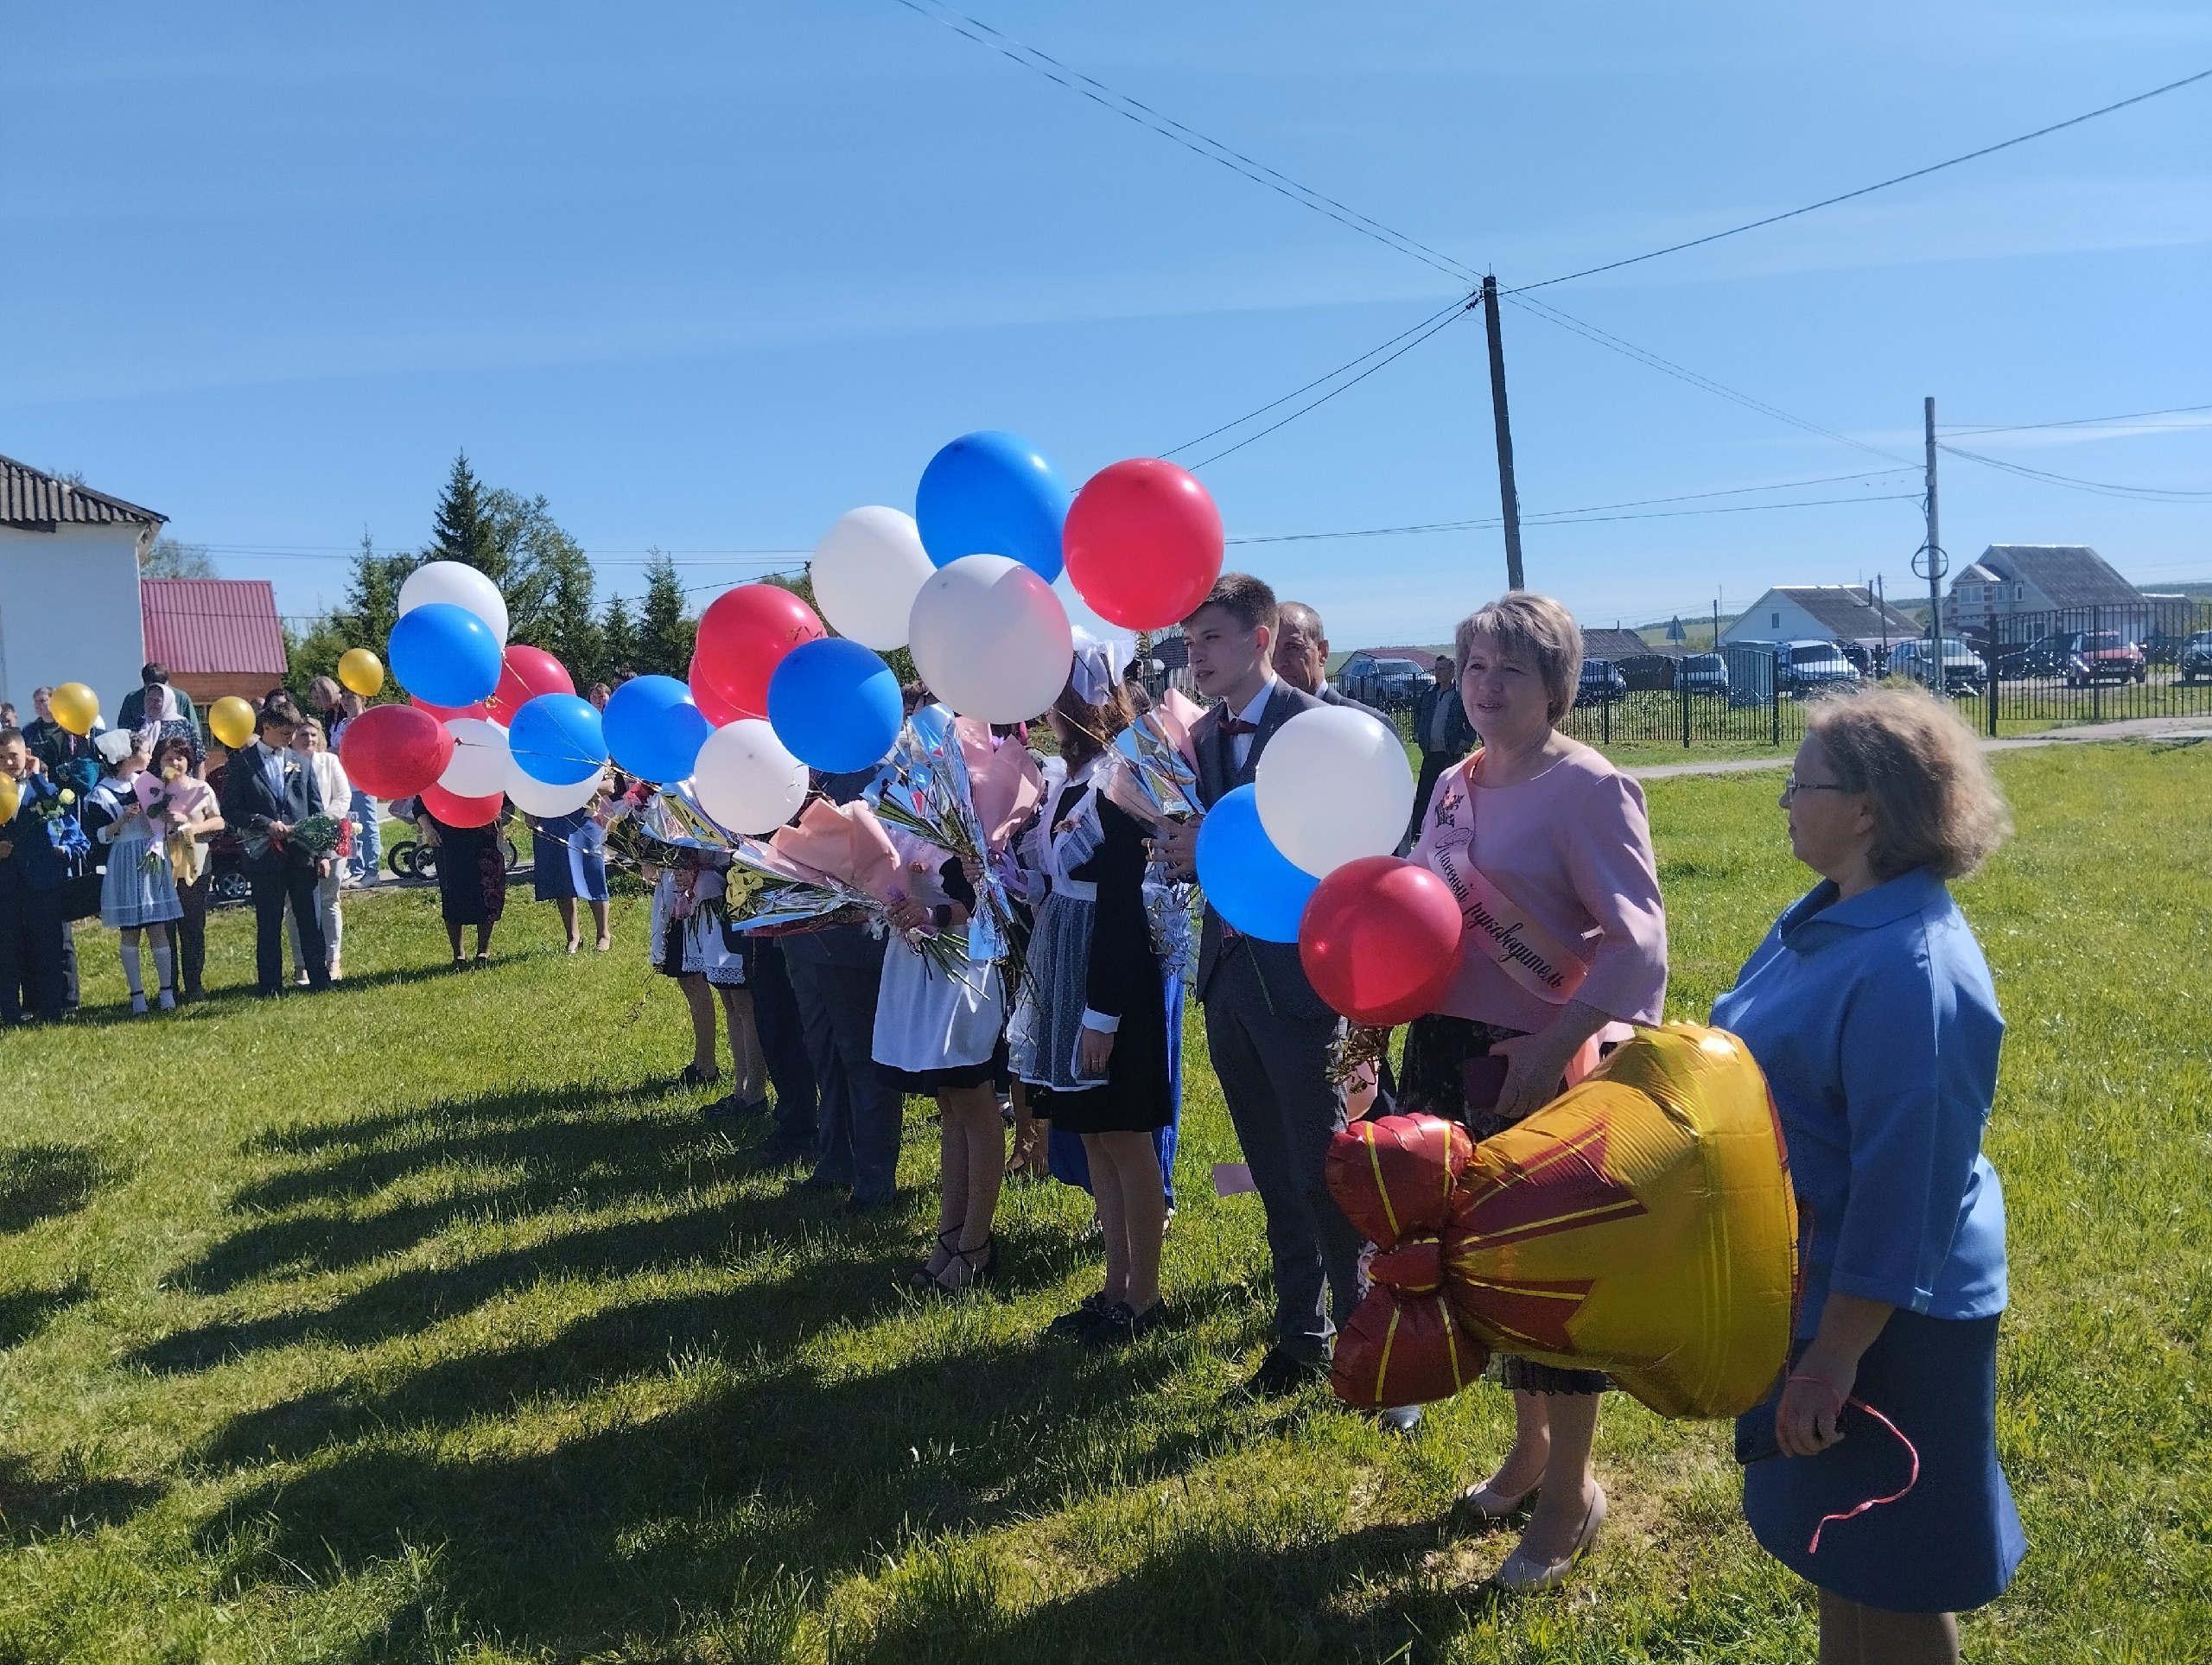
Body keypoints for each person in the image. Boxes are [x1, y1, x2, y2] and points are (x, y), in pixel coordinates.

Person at [1712, 688, 2023, 1664]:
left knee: (1894, 1570)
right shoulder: (1828, 916)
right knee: (1837, 1549)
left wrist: (1832, 1357)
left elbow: (1904, 1195)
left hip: (1888, 1319)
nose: (1786, 800)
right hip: (1809, 1286)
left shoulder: (1911, 969)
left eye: (1800, 782)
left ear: (1868, 810)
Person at [1397, 592, 1669, 1591]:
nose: (1487, 686)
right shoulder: (1455, 786)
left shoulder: (1590, 787)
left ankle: (1572, 1491)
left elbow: (1638, 941)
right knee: (1483, 1269)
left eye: (1511, 668)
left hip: (1539, 1061)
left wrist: (1548, 1044)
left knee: (1554, 1280)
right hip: (1447, 1053)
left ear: (1557, 684)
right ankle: (1527, 1451)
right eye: (1473, 665)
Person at [1154, 575, 1396, 1415]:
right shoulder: (1205, 734)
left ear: (1261, 638)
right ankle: (1302, 1335)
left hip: (1306, 986)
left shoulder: (1326, 731)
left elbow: (1359, 854)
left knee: (1328, 1171)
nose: (1196, 658)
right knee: (1271, 1169)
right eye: (1187, 645)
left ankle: (1371, 1350)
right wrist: (1184, 851)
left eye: (1210, 640)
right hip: (1227, 981)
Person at [1012, 641, 1175, 1345]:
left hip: (1108, 970)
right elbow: (1053, 878)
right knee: (1098, 1132)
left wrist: (1102, 1011)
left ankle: (1144, 1294)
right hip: (1066, 954)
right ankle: (1115, 1283)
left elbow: (1120, 899)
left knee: (1125, 1132)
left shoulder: (1121, 780)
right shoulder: (1067, 778)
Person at [876, 722, 1012, 1293]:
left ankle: (976, 1243)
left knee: (974, 1102)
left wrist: (934, 916)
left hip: (966, 969)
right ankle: (949, 1233)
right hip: (924, 966)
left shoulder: (978, 804)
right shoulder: (909, 805)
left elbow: (990, 895)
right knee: (950, 1105)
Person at [785, 771, 904, 1209]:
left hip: (854, 939)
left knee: (860, 1057)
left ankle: (874, 1178)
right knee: (823, 1053)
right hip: (801, 935)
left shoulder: (879, 765)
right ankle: (833, 1157)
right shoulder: (797, 759)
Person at [642, 839, 766, 1120]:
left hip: (736, 906)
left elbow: (739, 859)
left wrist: (701, 874)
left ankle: (755, 1093)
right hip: (713, 915)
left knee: (745, 1007)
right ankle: (741, 1089)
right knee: (732, 1005)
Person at [219, 696, 333, 997]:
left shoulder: (300, 762)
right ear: (266, 727)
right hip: (264, 855)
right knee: (268, 922)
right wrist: (263, 822)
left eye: (293, 734)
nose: (290, 740)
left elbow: (316, 810)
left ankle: (320, 979)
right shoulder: (242, 765)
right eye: (284, 734)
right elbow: (230, 810)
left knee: (311, 918)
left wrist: (322, 852)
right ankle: (270, 985)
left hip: (301, 853)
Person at [83, 731, 183, 1014]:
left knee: (157, 926)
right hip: (125, 859)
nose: (149, 754)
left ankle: (166, 993)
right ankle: (137, 996)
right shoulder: (100, 794)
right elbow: (99, 836)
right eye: (144, 750)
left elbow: (165, 818)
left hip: (151, 853)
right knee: (130, 930)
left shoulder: (147, 783)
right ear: (126, 756)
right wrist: (121, 821)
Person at [0, 727, 86, 1024]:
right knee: (7, 949)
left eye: (13, 755)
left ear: (26, 754)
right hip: (6, 884)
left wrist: (37, 775)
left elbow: (58, 812)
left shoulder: (41, 788)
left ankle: (52, 1009)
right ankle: (9, 1012)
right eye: (1, 758)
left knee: (48, 945)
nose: (8, 763)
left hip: (42, 880)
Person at [143, 732, 224, 1002]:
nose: (175, 763)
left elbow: (218, 822)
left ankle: (194, 986)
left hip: (196, 867)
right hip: (161, 868)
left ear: (188, 760)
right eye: (169, 758)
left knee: (192, 928)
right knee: (164, 931)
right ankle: (169, 989)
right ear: (160, 761)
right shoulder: (152, 791)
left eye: (180, 757)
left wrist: (190, 827)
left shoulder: (202, 789)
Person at [287, 718, 353, 982]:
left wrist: (320, 823)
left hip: (330, 837)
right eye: (303, 734)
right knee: (294, 905)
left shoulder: (330, 762)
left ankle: (332, 959)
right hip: (296, 840)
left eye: (313, 734)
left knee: (329, 900)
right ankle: (301, 963)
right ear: (293, 737)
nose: (309, 739)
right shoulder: (286, 762)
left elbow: (343, 797)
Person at [416, 795, 507, 969]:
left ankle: (483, 950)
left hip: (484, 837)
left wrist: (501, 817)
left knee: (488, 891)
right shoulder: (441, 772)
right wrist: (428, 830)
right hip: (447, 840)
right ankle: (458, 954)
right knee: (453, 894)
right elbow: (419, 805)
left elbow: (505, 801)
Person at [526, 785, 612, 953]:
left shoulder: (590, 757)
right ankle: (573, 937)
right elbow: (526, 781)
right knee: (560, 876)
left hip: (585, 817)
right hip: (549, 817)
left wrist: (570, 785)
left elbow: (609, 786)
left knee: (592, 874)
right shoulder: (542, 757)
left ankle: (603, 934)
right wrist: (528, 811)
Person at [1409, 655, 1477, 843]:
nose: (1437, 673)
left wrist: (1464, 743)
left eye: (1441, 670)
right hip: (1431, 753)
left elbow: (1471, 721)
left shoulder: (1459, 696)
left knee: (1450, 797)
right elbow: (1418, 713)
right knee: (1424, 793)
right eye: (1436, 669)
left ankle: (1448, 833)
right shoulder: (1429, 693)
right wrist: (1418, 734)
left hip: (1451, 754)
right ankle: (1417, 833)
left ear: (1451, 671)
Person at [329, 689, 382, 886]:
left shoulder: (368, 721)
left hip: (363, 782)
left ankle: (372, 871)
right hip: (344, 784)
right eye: (344, 697)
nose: (346, 702)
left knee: (367, 826)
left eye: (351, 697)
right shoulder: (342, 724)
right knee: (348, 827)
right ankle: (355, 869)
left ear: (363, 698)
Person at [22, 687, 96, 778]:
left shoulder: (70, 727)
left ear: (55, 702)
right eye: (35, 701)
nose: (37, 704)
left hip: (66, 777)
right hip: (39, 778)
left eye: (42, 701)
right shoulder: (29, 731)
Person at [116, 663, 199, 734]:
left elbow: (194, 731)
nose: (159, 694)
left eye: (163, 688)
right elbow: (124, 731)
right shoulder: (132, 699)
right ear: (145, 684)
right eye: (153, 689)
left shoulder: (181, 698)